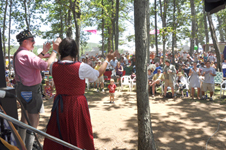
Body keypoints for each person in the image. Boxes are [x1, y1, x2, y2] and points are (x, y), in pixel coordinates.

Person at [43, 37, 117, 150]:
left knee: (60, 134)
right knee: (78, 134)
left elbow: (50, 63)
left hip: (59, 105)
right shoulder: (81, 67)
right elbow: (98, 73)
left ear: (61, 50)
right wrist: (107, 59)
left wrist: (55, 50)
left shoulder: (53, 66)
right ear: (75, 51)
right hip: (76, 105)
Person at [14, 30, 60, 150]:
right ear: (25, 41)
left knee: (24, 118)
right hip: (31, 91)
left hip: (21, 90)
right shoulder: (27, 54)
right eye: (32, 40)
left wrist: (44, 52)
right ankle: (29, 147)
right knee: (33, 121)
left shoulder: (19, 53)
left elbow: (33, 62)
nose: (34, 43)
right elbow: (45, 65)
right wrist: (55, 51)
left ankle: (20, 145)